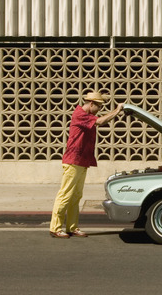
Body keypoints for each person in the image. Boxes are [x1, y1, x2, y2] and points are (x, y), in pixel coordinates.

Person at [50, 91, 124, 238]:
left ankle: (72, 227)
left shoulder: (88, 115)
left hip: (82, 161)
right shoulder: (80, 114)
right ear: (91, 104)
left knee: (76, 196)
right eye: (99, 107)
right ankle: (55, 228)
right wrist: (117, 110)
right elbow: (101, 121)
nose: (99, 110)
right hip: (73, 161)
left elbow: (99, 119)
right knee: (65, 195)